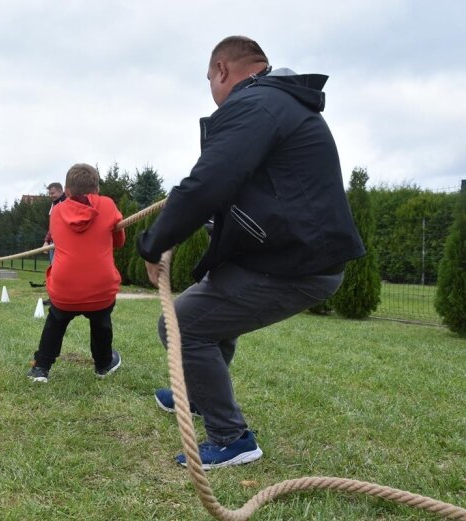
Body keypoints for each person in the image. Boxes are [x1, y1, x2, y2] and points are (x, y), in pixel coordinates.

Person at [137, 36, 366, 470]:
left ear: (222, 70)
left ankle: (231, 438)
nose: (211, 90)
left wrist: (155, 242)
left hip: (295, 263)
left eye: (209, 79)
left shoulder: (257, 105)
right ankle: (200, 395)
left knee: (183, 325)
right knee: (208, 317)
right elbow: (255, 190)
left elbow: (208, 182)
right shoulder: (276, 105)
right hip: (289, 255)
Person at [27, 163, 125, 383]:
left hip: (64, 290)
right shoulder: (108, 205)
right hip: (101, 289)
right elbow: (120, 241)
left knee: (56, 319)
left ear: (67, 192)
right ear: (97, 189)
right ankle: (103, 364)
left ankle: (41, 368)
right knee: (101, 319)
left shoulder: (57, 212)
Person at [42, 182, 66, 263]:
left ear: (60, 191)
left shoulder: (65, 204)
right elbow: (52, 226)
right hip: (54, 240)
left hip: (62, 242)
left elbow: (57, 225)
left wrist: (47, 241)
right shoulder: (54, 204)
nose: (50, 196)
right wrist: (47, 240)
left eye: (52, 193)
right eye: (49, 194)